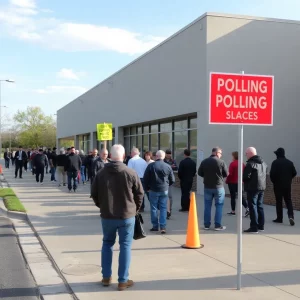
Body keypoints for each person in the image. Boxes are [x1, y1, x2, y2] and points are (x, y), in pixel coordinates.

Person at [91, 144, 144, 291]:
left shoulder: (101, 173)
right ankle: (123, 280)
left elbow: (94, 194)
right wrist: (135, 209)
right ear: (124, 155)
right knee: (125, 246)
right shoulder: (130, 172)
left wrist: (102, 206)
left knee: (107, 243)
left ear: (110, 156)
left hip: (107, 215)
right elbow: (140, 194)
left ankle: (106, 277)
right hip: (127, 215)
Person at [143, 150, 175, 234]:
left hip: (153, 190)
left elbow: (145, 179)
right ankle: (163, 226)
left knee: (153, 208)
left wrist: (146, 188)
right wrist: (167, 186)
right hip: (164, 190)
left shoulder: (151, 166)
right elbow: (172, 180)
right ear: (163, 157)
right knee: (163, 208)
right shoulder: (167, 166)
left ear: (156, 156)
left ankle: (155, 226)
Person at [198, 147, 228, 231]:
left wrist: (207, 176)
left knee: (207, 206)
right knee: (219, 205)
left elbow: (200, 172)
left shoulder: (204, 161)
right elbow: (226, 174)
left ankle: (206, 225)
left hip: (207, 186)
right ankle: (217, 225)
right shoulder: (221, 162)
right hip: (218, 187)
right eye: (220, 153)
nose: (221, 155)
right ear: (217, 153)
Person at [243, 147, 267, 233]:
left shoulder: (250, 163)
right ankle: (261, 226)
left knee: (252, 206)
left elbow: (245, 177)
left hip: (252, 188)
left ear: (250, 153)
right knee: (260, 206)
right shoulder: (263, 163)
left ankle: (254, 227)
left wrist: (246, 181)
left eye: (246, 154)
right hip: (261, 187)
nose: (246, 155)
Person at [270, 147, 296, 226]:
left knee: (279, 202)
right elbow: (294, 173)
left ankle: (279, 218)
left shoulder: (275, 162)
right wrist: (288, 179)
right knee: (288, 200)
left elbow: (272, 175)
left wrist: (274, 181)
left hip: (277, 185)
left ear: (278, 154)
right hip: (287, 185)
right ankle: (291, 216)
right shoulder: (290, 163)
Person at [226, 151, 249, 217]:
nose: (232, 157)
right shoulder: (242, 164)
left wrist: (227, 181)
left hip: (232, 182)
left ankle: (233, 211)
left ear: (234, 156)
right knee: (241, 196)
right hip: (240, 182)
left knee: (233, 197)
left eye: (232, 156)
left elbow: (230, 174)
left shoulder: (232, 164)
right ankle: (247, 208)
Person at [128, 147, 148, 212]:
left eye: (131, 153)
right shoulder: (143, 161)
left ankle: (135, 206)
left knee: (134, 193)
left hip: (134, 179)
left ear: (133, 153)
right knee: (141, 193)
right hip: (143, 179)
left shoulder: (131, 160)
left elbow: (129, 171)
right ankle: (142, 207)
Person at [164, 149, 177, 219]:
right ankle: (165, 210)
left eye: (170, 154)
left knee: (170, 196)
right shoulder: (163, 160)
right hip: (164, 181)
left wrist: (173, 167)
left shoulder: (173, 161)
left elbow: (176, 167)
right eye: (167, 154)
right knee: (164, 196)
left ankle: (169, 210)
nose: (169, 155)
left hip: (170, 181)